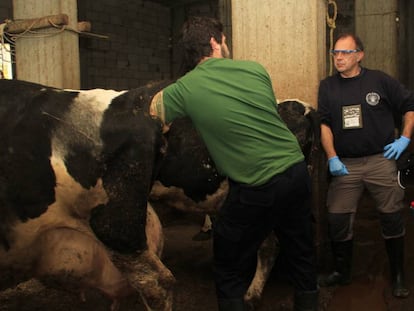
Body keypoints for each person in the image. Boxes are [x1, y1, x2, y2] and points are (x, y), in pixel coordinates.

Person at [150, 16, 318, 311]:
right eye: (224, 40)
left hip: (255, 187)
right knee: (302, 254)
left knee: (228, 267)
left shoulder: (185, 88)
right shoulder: (255, 70)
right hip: (295, 172)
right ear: (215, 42)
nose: (225, 44)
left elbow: (152, 112)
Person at [317, 33, 414, 298]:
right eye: (335, 53)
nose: (338, 57)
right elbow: (324, 123)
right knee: (337, 218)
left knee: (392, 216)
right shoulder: (327, 87)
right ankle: (342, 272)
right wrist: (332, 157)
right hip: (345, 164)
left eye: (345, 53)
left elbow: (410, 106)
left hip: (381, 160)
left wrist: (405, 139)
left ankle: (397, 276)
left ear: (359, 55)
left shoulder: (379, 80)